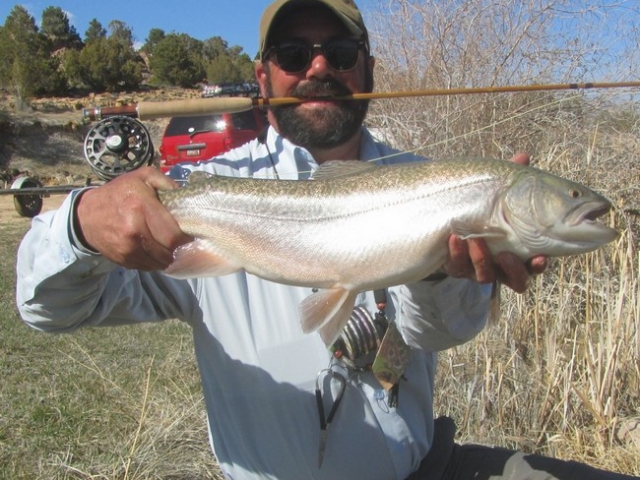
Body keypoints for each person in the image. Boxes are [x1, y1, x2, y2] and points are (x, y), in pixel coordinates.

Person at [15, 1, 636, 479]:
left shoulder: (428, 178)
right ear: (264, 75)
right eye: (293, 53)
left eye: (340, 52)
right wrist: (81, 225)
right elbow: (45, 307)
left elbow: (440, 333)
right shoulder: (209, 192)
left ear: (369, 70)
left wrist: (437, 273)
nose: (318, 68)